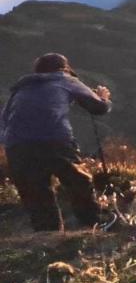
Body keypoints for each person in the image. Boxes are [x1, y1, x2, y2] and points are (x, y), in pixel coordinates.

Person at [0, 53, 112, 231]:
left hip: (17, 146)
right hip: (54, 140)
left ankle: (48, 235)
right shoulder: (66, 79)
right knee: (77, 181)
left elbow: (4, 119)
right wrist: (103, 97)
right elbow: (98, 108)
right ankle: (94, 222)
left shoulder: (20, 89)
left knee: (36, 192)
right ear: (65, 68)